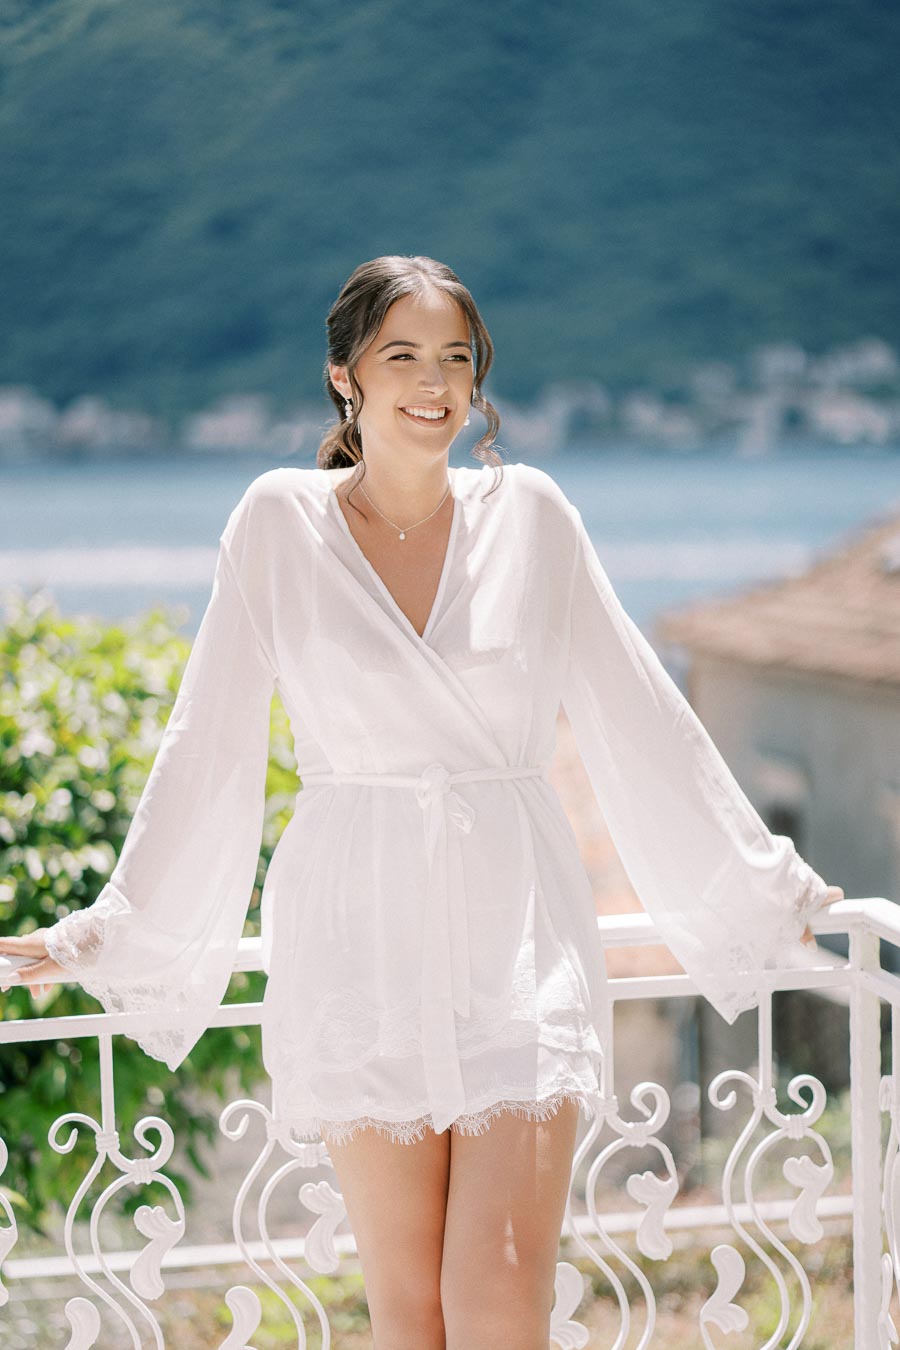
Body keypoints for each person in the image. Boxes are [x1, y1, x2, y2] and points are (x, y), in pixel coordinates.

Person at [0, 255, 843, 1349]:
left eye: (457, 358)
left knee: (497, 1300)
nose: (434, 382)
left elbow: (641, 711)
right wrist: (112, 927)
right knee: (409, 1313)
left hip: (519, 933)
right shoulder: (274, 524)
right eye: (403, 356)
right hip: (360, 941)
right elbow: (204, 738)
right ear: (346, 376)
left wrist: (761, 882)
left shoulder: (532, 516)